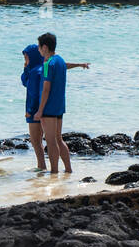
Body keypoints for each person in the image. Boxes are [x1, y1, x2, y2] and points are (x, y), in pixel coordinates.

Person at [23, 42, 90, 171]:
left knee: (38, 142)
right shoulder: (48, 64)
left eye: (26, 57)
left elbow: (31, 89)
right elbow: (63, 66)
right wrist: (79, 64)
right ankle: (68, 169)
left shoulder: (34, 72)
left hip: (37, 110)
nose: (25, 59)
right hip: (54, 107)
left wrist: (31, 111)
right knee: (58, 139)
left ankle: (45, 168)